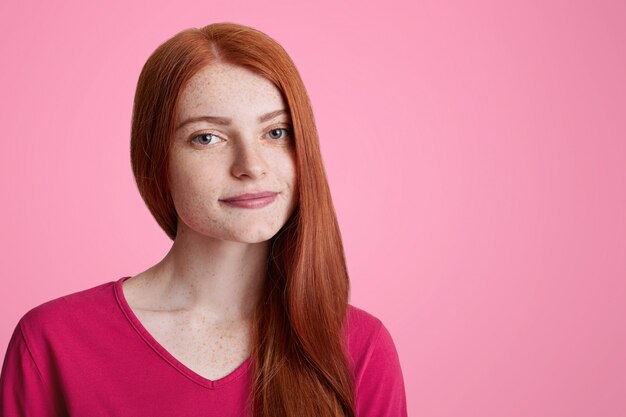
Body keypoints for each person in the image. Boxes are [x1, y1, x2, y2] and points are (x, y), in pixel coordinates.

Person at [0, 22, 407, 417]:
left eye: (277, 132)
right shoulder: (54, 342)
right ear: (157, 161)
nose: (252, 166)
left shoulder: (360, 347)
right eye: (207, 137)